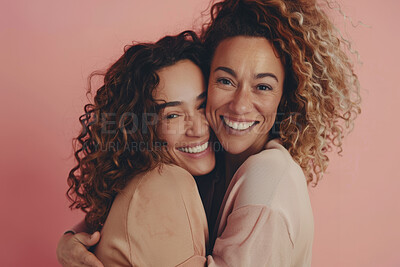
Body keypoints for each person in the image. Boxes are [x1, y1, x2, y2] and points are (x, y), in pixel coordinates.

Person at [58, 0, 361, 266]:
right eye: (226, 81)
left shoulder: (267, 176)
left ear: (287, 95)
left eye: (263, 86)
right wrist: (72, 240)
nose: (240, 106)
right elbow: (128, 220)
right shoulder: (207, 168)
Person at [58, 31, 221, 266]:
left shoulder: (158, 180)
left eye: (202, 105)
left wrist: (68, 238)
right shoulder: (166, 183)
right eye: (172, 115)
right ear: (140, 129)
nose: (198, 128)